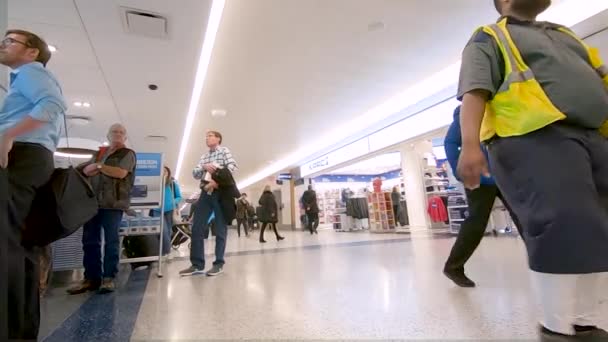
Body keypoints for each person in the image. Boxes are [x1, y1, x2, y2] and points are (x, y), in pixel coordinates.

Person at [457, 0, 608, 339]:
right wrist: (469, 146)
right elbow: (474, 90)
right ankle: (556, 328)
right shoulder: (490, 36)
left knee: (600, 223)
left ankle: (584, 320)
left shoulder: (566, 35)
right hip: (532, 136)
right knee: (562, 222)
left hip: (593, 136)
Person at [0, 29, 66, 340]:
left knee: (9, 244)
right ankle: (21, 329)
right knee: (22, 246)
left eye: (10, 40)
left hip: (22, 158)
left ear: (32, 52)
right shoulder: (27, 77)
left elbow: (52, 105)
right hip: (33, 158)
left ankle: (12, 329)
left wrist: (7, 135)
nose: (3, 44)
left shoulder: (30, 73)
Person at [443, 105, 522, 288]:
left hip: (505, 175)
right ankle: (453, 267)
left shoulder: (499, 107)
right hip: (479, 177)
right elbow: (450, 143)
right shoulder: (467, 112)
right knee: (476, 223)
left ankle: (546, 262)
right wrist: (460, 171)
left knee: (524, 217)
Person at [67, 124, 136, 295]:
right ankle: (91, 278)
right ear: (108, 135)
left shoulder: (128, 154)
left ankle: (109, 278)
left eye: (121, 132)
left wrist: (99, 167)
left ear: (125, 137)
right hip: (92, 204)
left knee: (111, 242)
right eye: (114, 132)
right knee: (90, 241)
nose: (118, 134)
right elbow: (85, 170)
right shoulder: (99, 153)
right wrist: (90, 167)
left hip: (113, 204)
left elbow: (120, 173)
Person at [180, 130, 238, 277]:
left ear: (218, 139)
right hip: (205, 193)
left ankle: (218, 264)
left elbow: (232, 167)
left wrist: (216, 181)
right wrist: (203, 167)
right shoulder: (204, 156)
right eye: (206, 136)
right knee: (197, 227)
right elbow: (195, 173)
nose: (207, 138)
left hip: (220, 193)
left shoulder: (224, 151)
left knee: (220, 229)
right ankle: (197, 264)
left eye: (210, 136)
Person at [152, 166, 182, 259]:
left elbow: (179, 197)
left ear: (168, 173)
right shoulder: (155, 184)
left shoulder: (172, 183)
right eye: (162, 171)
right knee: (162, 231)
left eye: (165, 171)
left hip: (170, 210)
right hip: (157, 210)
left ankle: (165, 252)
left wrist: (173, 202)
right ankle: (165, 251)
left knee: (168, 231)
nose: (164, 173)